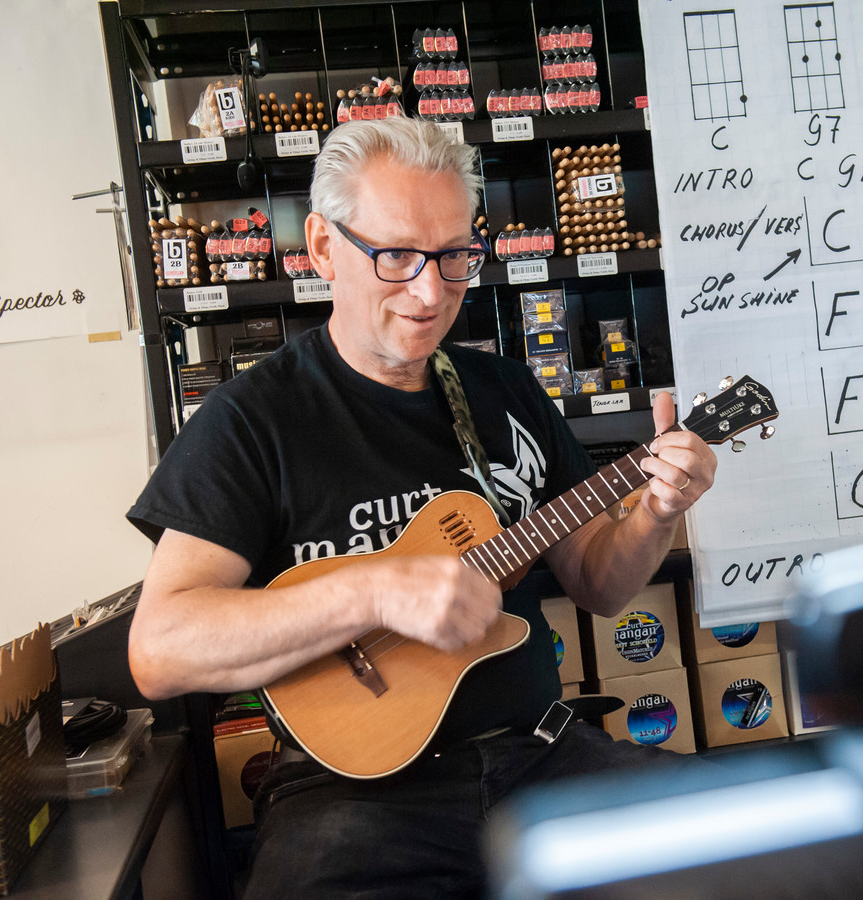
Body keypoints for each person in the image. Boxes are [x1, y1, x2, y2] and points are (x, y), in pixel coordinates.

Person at [125, 116, 717, 897]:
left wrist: (658, 508)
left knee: (747, 853)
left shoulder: (503, 391)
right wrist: (374, 591)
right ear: (324, 247)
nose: (431, 291)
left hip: (544, 758)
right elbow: (159, 650)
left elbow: (601, 586)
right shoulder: (250, 422)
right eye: (397, 254)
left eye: (453, 257)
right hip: (350, 799)